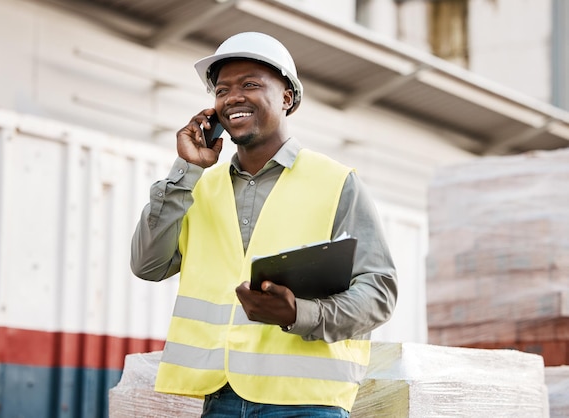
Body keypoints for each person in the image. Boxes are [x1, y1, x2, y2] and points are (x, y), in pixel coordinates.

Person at [130, 32, 397, 418]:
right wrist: (186, 169)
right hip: (219, 398)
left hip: (307, 404)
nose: (232, 98)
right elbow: (147, 265)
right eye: (221, 91)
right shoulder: (195, 187)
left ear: (287, 97)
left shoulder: (336, 182)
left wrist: (298, 314)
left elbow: (379, 292)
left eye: (250, 84)